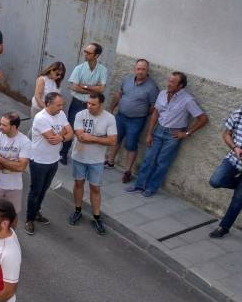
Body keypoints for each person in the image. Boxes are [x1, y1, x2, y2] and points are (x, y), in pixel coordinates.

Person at [125, 72, 208, 197]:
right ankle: (139, 185)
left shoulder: (187, 100)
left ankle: (151, 188)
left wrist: (186, 133)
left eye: (172, 82)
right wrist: (149, 133)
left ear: (180, 86)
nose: (169, 84)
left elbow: (203, 119)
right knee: (148, 159)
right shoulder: (162, 94)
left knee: (162, 162)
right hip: (158, 130)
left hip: (173, 135)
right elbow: (155, 114)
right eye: (169, 81)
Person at [26, 92, 73, 235]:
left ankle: (36, 212)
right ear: (48, 104)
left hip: (53, 160)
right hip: (39, 161)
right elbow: (52, 139)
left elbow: (71, 133)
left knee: (44, 189)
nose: (61, 107)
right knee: (35, 191)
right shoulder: (41, 118)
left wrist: (62, 137)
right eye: (58, 105)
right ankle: (29, 219)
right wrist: (64, 135)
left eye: (62, 105)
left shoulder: (61, 114)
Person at [70, 93, 117, 234]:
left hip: (96, 160)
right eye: (88, 103)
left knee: (95, 188)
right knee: (78, 184)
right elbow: (81, 137)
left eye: (93, 104)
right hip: (79, 157)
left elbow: (113, 141)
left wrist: (91, 137)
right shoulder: (80, 115)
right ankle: (78, 210)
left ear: (101, 104)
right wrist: (101, 138)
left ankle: (96, 216)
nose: (89, 106)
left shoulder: (110, 118)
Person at [106, 59, 160, 183]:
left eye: (143, 69)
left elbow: (153, 107)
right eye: (138, 69)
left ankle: (127, 171)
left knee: (131, 145)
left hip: (136, 121)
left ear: (147, 70)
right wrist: (111, 109)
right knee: (115, 139)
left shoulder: (152, 87)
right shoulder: (127, 79)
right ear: (134, 69)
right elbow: (118, 95)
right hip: (120, 116)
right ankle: (110, 162)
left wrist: (141, 113)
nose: (140, 71)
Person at [0, 112, 30, 244]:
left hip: (14, 187)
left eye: (4, 124)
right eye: (0, 123)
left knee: (13, 217)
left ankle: (8, 240)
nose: (0, 126)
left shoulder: (25, 142)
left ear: (14, 127)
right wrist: (11, 164)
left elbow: (21, 167)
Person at [59, 43, 109, 164]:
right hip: (77, 102)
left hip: (91, 105)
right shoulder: (79, 68)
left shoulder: (102, 70)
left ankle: (81, 156)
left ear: (96, 55)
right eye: (85, 52)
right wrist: (93, 88)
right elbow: (74, 87)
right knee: (71, 127)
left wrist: (84, 86)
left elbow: (101, 89)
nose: (85, 54)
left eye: (88, 52)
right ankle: (63, 153)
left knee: (88, 130)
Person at [209, 106, 242, 238]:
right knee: (215, 181)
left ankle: (224, 227)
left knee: (238, 199)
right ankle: (239, 183)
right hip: (234, 158)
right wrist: (235, 148)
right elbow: (226, 134)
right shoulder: (239, 113)